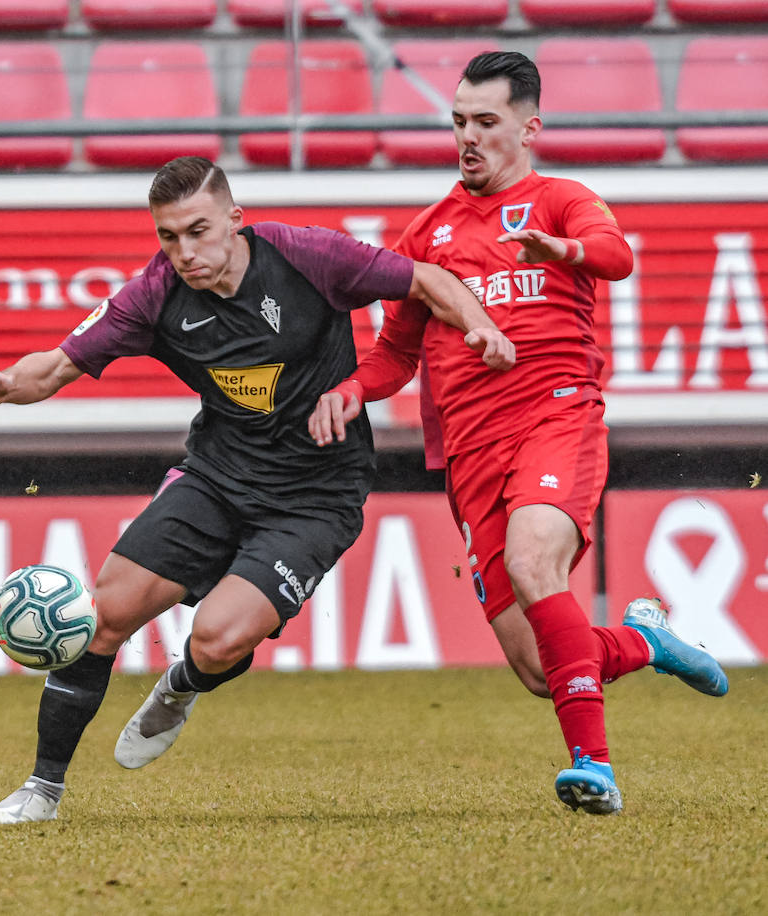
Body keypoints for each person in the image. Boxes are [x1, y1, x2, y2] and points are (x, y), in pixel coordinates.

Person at [0, 155, 515, 824]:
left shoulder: (308, 256)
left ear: (235, 221)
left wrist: (483, 326)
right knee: (103, 615)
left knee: (216, 641)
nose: (185, 252)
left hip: (316, 495)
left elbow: (426, 277)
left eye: (198, 230)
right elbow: (56, 365)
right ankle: (41, 790)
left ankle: (181, 685)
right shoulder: (153, 296)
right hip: (216, 477)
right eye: (168, 237)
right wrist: (8, 387)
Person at [309, 51, 728, 815]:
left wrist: (559, 251)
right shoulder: (428, 234)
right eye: (459, 121)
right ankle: (644, 642)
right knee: (542, 669)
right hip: (470, 455)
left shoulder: (562, 201)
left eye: (486, 122)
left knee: (538, 564)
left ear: (528, 128)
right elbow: (396, 356)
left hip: (556, 416)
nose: (468, 137)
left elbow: (617, 256)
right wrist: (349, 389)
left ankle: (593, 769)